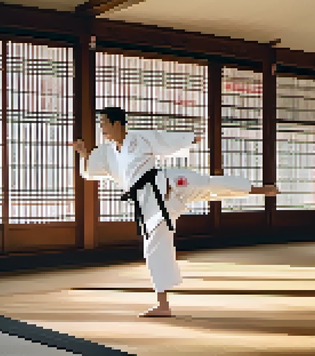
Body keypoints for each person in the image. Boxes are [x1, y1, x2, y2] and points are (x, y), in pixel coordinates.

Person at [74, 107, 279, 317]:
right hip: (150, 204)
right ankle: (162, 304)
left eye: (104, 124)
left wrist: (189, 139)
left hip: (168, 183)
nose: (102, 129)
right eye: (101, 125)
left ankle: (260, 189)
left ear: (117, 123)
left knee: (207, 184)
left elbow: (162, 140)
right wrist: (83, 153)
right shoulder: (107, 153)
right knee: (154, 248)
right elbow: (91, 171)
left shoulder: (139, 138)